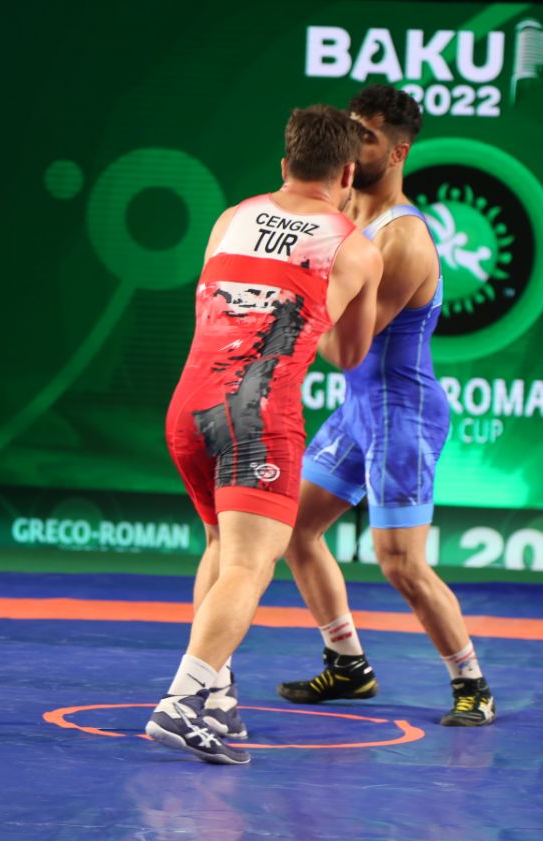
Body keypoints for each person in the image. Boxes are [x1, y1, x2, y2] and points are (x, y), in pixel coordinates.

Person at [147, 105, 383, 765]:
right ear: (347, 174)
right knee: (251, 566)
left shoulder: (231, 218)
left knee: (222, 547)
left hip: (187, 407)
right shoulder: (355, 247)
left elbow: (216, 305)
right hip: (257, 416)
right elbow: (350, 354)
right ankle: (179, 703)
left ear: (285, 164)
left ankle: (217, 696)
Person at [276, 84, 495, 727]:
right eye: (349, 129)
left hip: (403, 414)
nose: (352, 143)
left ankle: (473, 685)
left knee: (401, 563)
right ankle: (348, 664)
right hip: (361, 408)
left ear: (398, 152)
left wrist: (289, 308)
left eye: (366, 136)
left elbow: (349, 344)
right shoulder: (344, 210)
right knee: (294, 530)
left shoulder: (402, 239)